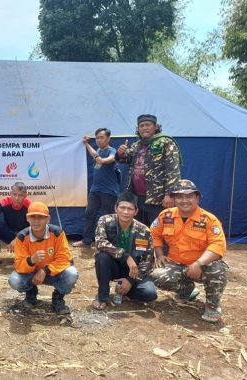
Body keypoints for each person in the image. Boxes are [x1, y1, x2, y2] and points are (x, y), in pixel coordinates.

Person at [150, 179, 228, 323]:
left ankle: (212, 305)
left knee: (218, 269)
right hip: (177, 264)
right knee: (157, 275)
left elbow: (218, 245)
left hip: (202, 266)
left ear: (197, 198)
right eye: (179, 196)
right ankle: (186, 292)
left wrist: (198, 263)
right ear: (174, 199)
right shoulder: (166, 216)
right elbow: (154, 233)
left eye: (189, 196)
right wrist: (160, 254)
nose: (184, 200)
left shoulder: (209, 219)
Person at [8, 202, 78, 315]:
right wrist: (31, 260)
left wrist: (45, 270)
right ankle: (30, 292)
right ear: (27, 218)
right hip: (31, 275)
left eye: (41, 217)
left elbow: (65, 259)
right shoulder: (21, 237)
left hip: (52, 273)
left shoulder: (57, 233)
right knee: (14, 280)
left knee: (72, 273)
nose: (36, 221)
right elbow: (19, 265)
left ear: (48, 219)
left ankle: (58, 297)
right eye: (33, 217)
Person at [92, 192, 157, 310]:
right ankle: (102, 296)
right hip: (113, 266)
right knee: (101, 257)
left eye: (130, 209)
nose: (126, 212)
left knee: (150, 294)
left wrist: (130, 280)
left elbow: (148, 260)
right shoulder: (105, 221)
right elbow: (100, 243)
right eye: (122, 207)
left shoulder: (144, 230)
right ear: (116, 208)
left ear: (136, 211)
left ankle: (123, 289)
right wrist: (126, 256)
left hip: (134, 271)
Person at [116, 114, 181, 226]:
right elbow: (126, 159)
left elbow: (173, 170)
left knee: (160, 230)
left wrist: (169, 194)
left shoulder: (166, 142)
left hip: (157, 198)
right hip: (137, 197)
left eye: (148, 125)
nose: (145, 128)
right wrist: (120, 153)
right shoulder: (137, 145)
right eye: (141, 126)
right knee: (140, 230)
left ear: (155, 127)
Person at [73, 128, 120, 248]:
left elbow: (106, 160)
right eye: (97, 137)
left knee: (108, 218)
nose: (99, 140)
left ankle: (108, 243)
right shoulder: (98, 150)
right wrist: (87, 144)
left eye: (102, 137)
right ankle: (86, 240)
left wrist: (100, 158)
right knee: (89, 213)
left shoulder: (112, 151)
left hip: (109, 191)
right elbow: (94, 154)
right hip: (95, 190)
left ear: (108, 138)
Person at [0, 181, 32, 263]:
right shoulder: (4, 201)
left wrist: (17, 239)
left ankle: (25, 250)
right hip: (8, 233)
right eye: (14, 194)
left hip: (25, 236)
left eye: (20, 195)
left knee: (35, 227)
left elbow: (34, 227)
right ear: (10, 193)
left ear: (25, 195)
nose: (16, 198)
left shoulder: (30, 205)